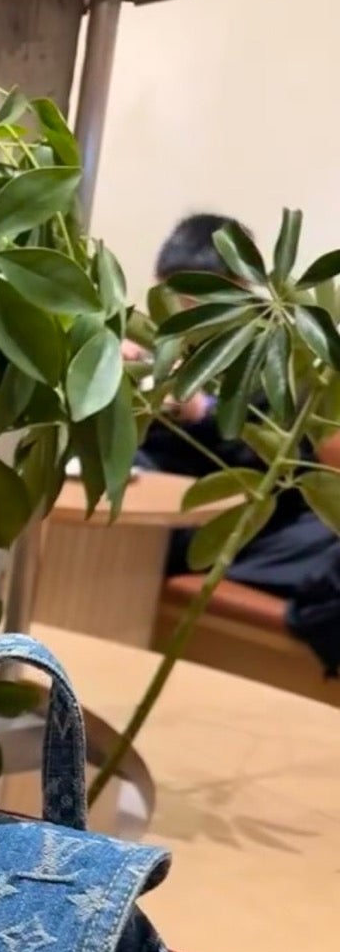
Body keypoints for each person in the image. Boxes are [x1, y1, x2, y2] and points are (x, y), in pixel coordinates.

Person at [137, 212, 340, 671]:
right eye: (178, 297)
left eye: (204, 297)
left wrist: (200, 411)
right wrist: (133, 381)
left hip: (262, 520)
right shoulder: (155, 350)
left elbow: (278, 455)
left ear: (243, 289)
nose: (189, 312)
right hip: (176, 521)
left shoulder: (276, 354)